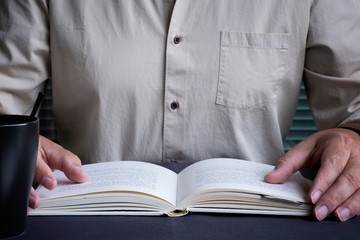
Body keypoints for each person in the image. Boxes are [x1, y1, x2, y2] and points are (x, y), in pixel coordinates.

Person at [0, 0, 359, 222]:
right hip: (91, 223)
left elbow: (354, 102)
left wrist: (353, 138)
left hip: (259, 223)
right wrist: (9, 147)